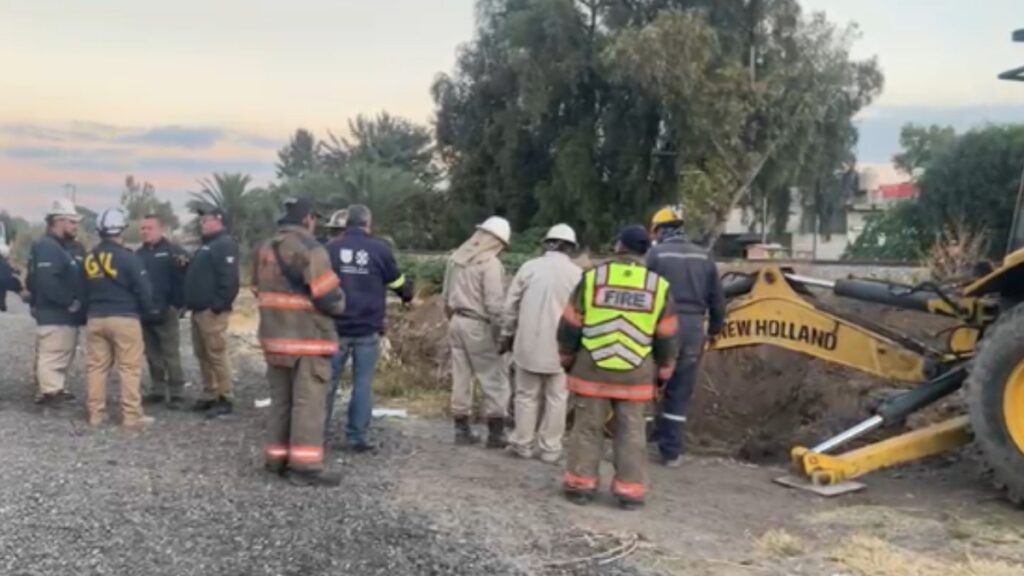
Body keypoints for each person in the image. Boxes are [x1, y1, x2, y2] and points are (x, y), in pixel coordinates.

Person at [558, 225, 678, 509]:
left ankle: (580, 486)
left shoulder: (593, 279)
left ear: (619, 247)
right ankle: (630, 492)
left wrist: (566, 357)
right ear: (645, 251)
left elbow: (571, 324)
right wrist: (665, 368)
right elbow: (667, 334)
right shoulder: (658, 286)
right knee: (632, 431)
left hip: (592, 369)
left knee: (587, 427)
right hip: (636, 373)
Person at [254, 197, 346, 486]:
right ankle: (305, 467)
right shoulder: (311, 249)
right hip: (307, 339)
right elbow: (328, 296)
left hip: (274, 337)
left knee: (281, 400)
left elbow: (256, 288)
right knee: (308, 402)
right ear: (308, 219)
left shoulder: (264, 248)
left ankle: (276, 458)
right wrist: (341, 304)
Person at [324, 205, 413, 452]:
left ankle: (316, 434)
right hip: (367, 329)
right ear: (368, 223)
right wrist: (407, 295)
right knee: (362, 384)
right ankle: (356, 437)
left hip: (335, 327)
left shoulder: (330, 249)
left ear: (346, 224)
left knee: (326, 382)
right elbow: (398, 282)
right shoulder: (379, 250)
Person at [645, 206, 725, 467]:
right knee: (680, 388)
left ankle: (645, 437)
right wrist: (714, 329)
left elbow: (645, 293)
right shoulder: (704, 256)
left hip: (661, 325)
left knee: (651, 380)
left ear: (660, 230)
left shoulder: (656, 254)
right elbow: (717, 299)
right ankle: (671, 452)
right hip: (692, 328)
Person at [500, 224, 582, 463]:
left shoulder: (529, 268)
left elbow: (510, 306)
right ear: (571, 248)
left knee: (526, 395)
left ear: (547, 243)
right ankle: (550, 448)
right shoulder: (577, 274)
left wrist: (507, 333)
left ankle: (522, 443)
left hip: (528, 343)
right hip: (561, 347)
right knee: (557, 398)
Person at [83, 208, 158, 428]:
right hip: (125, 317)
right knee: (129, 368)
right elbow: (144, 289)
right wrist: (148, 311)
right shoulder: (128, 257)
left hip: (96, 318)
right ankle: (131, 416)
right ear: (122, 229)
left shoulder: (90, 258)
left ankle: (95, 414)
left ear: (99, 230)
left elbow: (83, 287)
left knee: (96, 367)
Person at [443, 216, 512, 448]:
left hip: (456, 321)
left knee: (461, 377)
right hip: (478, 324)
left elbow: (445, 296)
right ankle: (496, 432)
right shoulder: (490, 263)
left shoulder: (456, 259)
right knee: (492, 377)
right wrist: (502, 333)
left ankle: (461, 429)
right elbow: (494, 304)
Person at [26, 199, 87, 405]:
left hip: (62, 315)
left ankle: (55, 388)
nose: (75, 226)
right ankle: (50, 391)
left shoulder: (59, 247)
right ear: (59, 221)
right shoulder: (48, 247)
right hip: (56, 313)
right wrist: (68, 302)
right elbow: (45, 280)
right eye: (72, 221)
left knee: (60, 352)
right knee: (52, 353)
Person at [184, 206, 240, 419]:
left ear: (219, 221)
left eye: (207, 220)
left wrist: (218, 305)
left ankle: (225, 397)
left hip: (211, 312)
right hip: (198, 310)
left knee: (216, 354)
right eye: (202, 220)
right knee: (202, 354)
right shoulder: (207, 246)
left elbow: (229, 280)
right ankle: (211, 393)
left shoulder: (224, 244)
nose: (202, 223)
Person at [137, 214, 190, 409]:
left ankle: (177, 393)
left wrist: (178, 304)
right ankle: (157, 389)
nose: (145, 232)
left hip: (167, 311)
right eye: (142, 228)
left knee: (170, 353)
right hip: (145, 312)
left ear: (161, 229)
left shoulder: (174, 253)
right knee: (152, 353)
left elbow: (186, 278)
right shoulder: (138, 255)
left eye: (149, 228)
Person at [0, 244, 24, 312]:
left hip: (3, 280)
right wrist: (18, 271)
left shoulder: (5, 262)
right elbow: (12, 269)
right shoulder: (5, 262)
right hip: (6, 280)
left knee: (2, 292)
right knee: (2, 293)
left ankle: (2, 305)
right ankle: (2, 305)